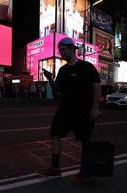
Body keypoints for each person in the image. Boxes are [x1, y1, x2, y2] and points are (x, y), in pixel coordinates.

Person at [40, 37, 101, 183]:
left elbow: (96, 86)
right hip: (65, 109)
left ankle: (85, 172)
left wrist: (95, 109)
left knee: (85, 140)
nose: (60, 53)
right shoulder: (62, 70)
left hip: (83, 111)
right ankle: (55, 168)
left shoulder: (87, 67)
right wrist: (49, 79)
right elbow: (58, 89)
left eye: (62, 50)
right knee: (55, 134)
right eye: (59, 50)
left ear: (71, 49)